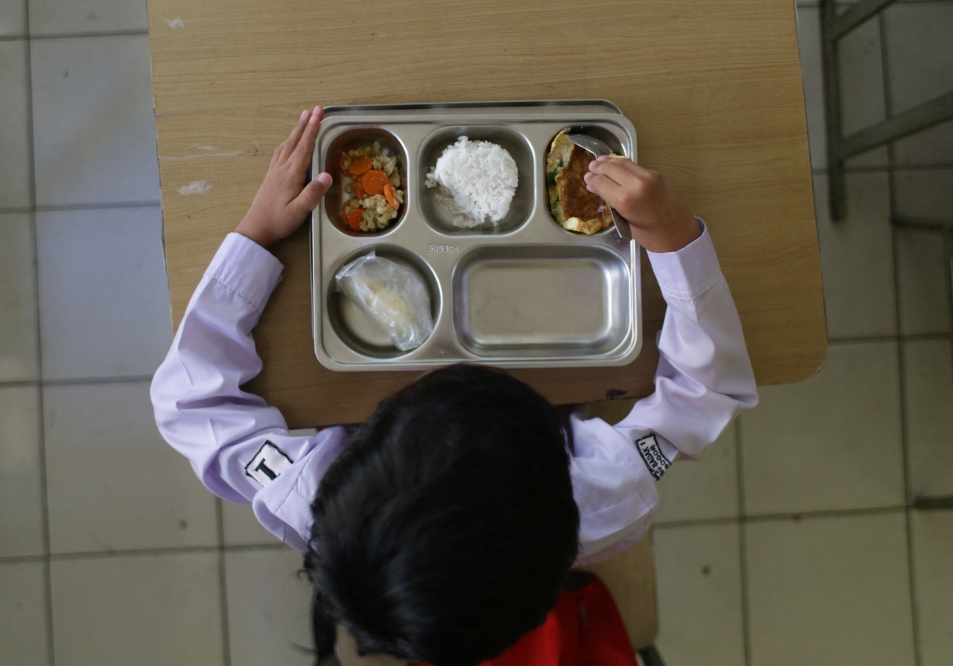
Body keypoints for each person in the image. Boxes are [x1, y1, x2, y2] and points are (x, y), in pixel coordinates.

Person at [151, 106, 758, 666]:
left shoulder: (305, 494)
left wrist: (256, 235)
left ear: (363, 447)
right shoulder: (603, 500)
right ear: (559, 470)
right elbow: (707, 393)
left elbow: (189, 400)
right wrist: (678, 241)